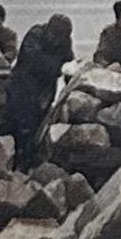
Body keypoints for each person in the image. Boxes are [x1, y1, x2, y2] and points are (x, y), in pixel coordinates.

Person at [6, 14, 74, 170]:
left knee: (39, 123)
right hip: (22, 83)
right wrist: (56, 66)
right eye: (55, 36)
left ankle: (31, 160)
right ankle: (18, 159)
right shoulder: (35, 34)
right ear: (49, 30)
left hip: (45, 86)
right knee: (19, 123)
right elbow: (33, 60)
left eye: (60, 38)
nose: (57, 41)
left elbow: (68, 60)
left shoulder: (64, 40)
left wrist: (61, 68)